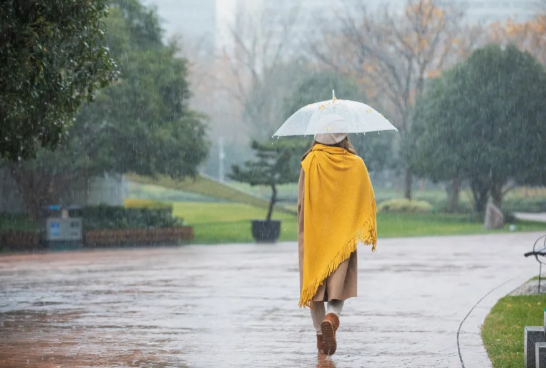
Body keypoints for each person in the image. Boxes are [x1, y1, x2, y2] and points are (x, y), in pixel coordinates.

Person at [297, 132, 377, 356]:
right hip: (342, 235)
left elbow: (302, 203)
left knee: (314, 287)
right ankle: (332, 318)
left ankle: (320, 339)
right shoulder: (355, 163)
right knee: (337, 286)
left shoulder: (309, 162)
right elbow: (367, 200)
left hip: (316, 235)